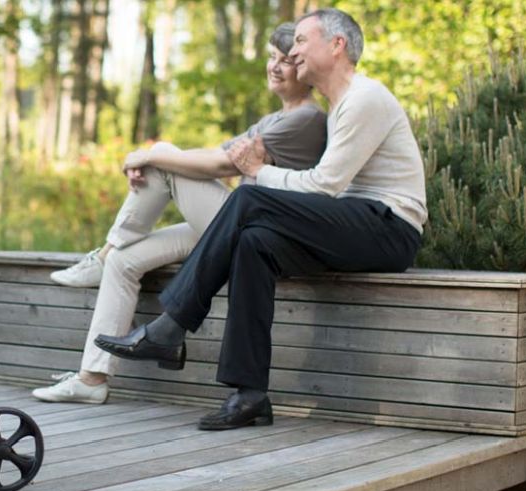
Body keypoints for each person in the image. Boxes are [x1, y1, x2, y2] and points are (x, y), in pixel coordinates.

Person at [95, 8, 427, 430]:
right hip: (357, 223)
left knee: (250, 200)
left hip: (388, 227)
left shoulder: (365, 98)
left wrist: (257, 171)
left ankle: (170, 327)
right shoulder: (340, 104)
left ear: (337, 45)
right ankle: (249, 394)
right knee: (255, 244)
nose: (294, 51)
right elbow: (325, 190)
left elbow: (324, 186)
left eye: (303, 41)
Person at [32, 22, 329, 405]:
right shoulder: (272, 119)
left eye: (286, 61)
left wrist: (151, 155)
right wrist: (151, 157)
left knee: (165, 157)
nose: (275, 66)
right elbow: (209, 155)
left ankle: (103, 253)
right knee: (126, 261)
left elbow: (222, 166)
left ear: (304, 69)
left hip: (259, 231)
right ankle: (92, 378)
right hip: (230, 224)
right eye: (272, 57)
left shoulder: (306, 119)